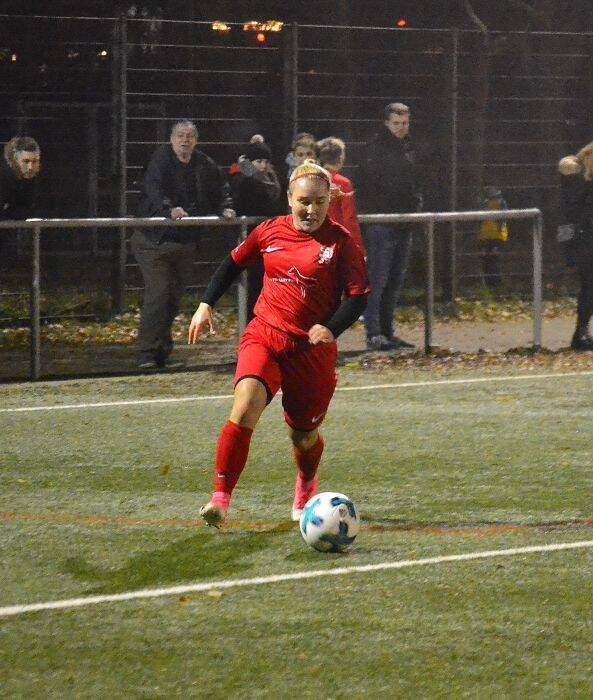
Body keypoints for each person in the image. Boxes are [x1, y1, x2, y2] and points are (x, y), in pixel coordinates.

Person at [188, 160, 369, 527]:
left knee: (303, 436)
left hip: (310, 351)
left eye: (319, 202)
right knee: (245, 406)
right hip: (265, 335)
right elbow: (233, 263)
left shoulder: (341, 243)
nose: (311, 210)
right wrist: (206, 303)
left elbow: (358, 297)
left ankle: (306, 480)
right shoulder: (269, 231)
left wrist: (330, 328)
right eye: (304, 201)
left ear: (328, 201)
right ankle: (220, 500)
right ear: (289, 199)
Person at [131, 120, 235, 370]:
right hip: (154, 239)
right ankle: (147, 353)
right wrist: (168, 209)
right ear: (171, 139)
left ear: (196, 140)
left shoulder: (204, 164)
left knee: (173, 297)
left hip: (183, 241)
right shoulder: (161, 160)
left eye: (189, 136)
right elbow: (153, 188)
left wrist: (226, 207)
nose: (184, 140)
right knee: (159, 292)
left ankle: (161, 352)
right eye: (180, 135)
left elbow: (221, 187)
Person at [357, 102, 422, 352]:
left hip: (403, 222)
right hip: (382, 222)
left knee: (394, 281)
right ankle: (374, 333)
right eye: (396, 123)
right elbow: (371, 185)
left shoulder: (409, 148)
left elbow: (413, 182)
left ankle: (386, 331)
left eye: (405, 123)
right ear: (386, 123)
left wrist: (415, 203)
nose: (401, 127)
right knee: (378, 279)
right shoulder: (375, 149)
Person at [229, 136, 282, 318]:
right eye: (259, 161)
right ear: (250, 161)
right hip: (250, 239)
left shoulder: (271, 181)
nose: (263, 166)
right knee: (252, 285)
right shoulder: (242, 179)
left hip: (268, 239)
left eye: (266, 161)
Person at [558, 142, 593, 350]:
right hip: (585, 241)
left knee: (589, 288)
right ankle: (580, 334)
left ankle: (581, 333)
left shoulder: (576, 180)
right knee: (589, 287)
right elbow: (572, 215)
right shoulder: (579, 182)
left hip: (581, 240)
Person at [315, 136, 364, 252]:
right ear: (341, 158)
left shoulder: (309, 180)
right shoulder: (343, 183)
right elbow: (348, 217)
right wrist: (357, 247)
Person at [0, 136, 41, 262]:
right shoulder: (5, 178)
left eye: (34, 161)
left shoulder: (27, 179)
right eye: (26, 161)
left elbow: (25, 209)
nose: (30, 167)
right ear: (15, 160)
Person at [478, 186, 508, 288]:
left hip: (497, 236)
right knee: (486, 258)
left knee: (495, 258)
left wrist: (500, 233)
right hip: (485, 235)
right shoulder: (485, 203)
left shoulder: (501, 203)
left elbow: (503, 220)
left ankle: (496, 282)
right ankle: (488, 282)